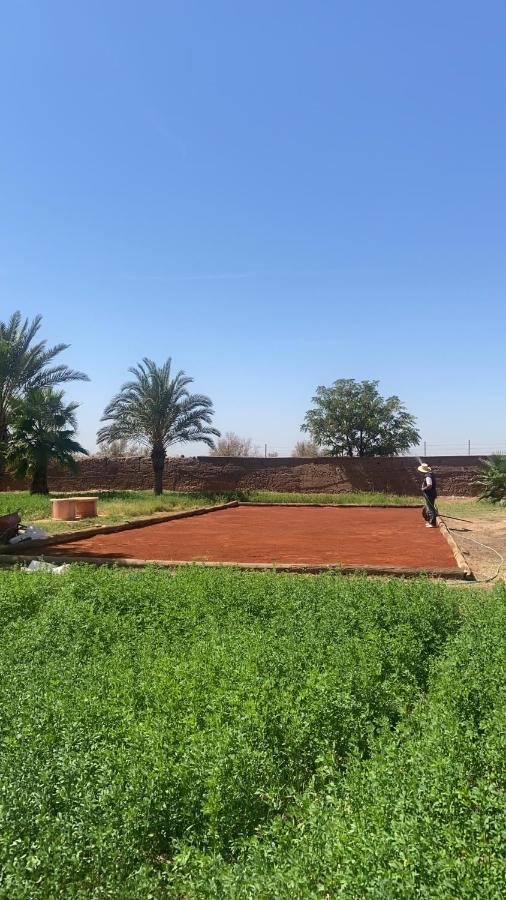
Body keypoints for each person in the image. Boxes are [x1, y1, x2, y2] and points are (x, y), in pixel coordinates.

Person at [418, 463, 438, 527]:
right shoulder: (430, 474)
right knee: (429, 507)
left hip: (430, 494)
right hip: (431, 494)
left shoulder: (428, 476)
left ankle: (432, 523)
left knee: (430, 508)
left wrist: (423, 489)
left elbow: (429, 485)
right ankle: (430, 521)